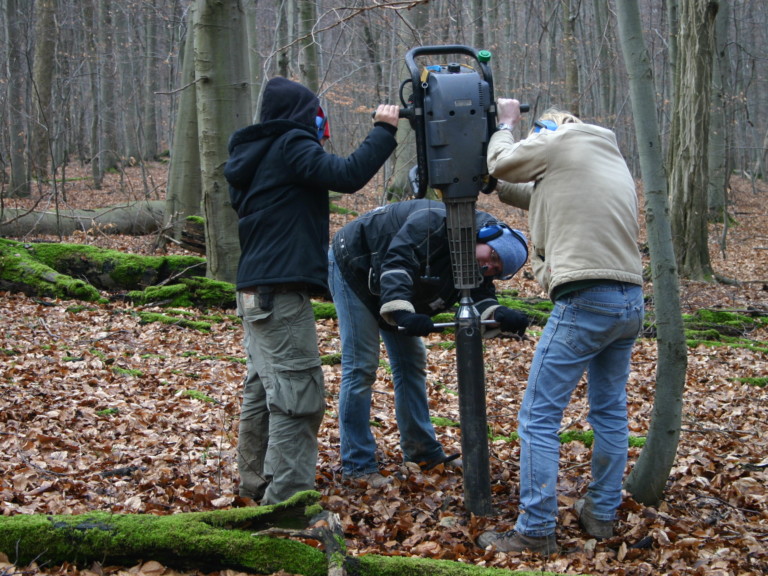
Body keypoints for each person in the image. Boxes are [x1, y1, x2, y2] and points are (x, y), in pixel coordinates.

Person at [477, 100, 645, 554]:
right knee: (609, 412)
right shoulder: (606, 158)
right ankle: (602, 515)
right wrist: (491, 186)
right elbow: (527, 191)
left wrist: (507, 126)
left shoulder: (560, 138)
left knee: (538, 417)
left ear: (547, 131)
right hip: (629, 301)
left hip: (586, 298)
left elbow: (502, 161)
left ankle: (534, 531)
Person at [224, 76, 400, 505]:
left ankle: (256, 486)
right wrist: (384, 129)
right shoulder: (289, 144)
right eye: (315, 116)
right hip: (277, 294)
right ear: (301, 116)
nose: (318, 125)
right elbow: (347, 174)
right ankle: (287, 503)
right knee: (298, 397)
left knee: (264, 391)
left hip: (256, 291)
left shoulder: (255, 154)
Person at [328, 199, 530, 487]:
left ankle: (423, 453)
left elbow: (480, 298)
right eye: (493, 256)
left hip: (391, 281)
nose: (489, 266)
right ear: (487, 235)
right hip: (355, 266)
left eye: (496, 269)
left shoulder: (474, 258)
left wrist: (500, 315)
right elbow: (399, 258)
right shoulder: (434, 221)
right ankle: (357, 465)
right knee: (361, 366)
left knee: (411, 364)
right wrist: (402, 313)